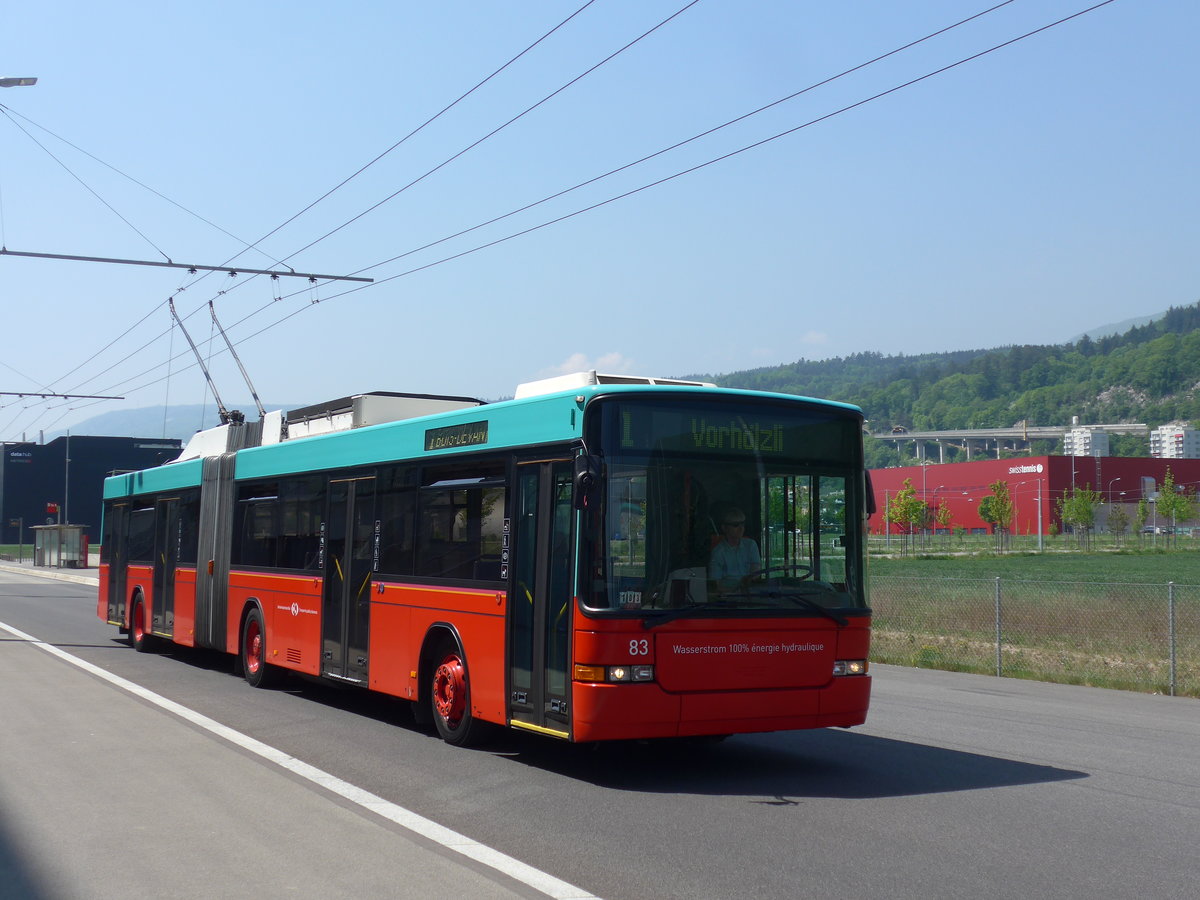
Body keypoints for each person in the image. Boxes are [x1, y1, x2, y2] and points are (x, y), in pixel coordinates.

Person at [709, 507, 761, 588]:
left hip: (750, 592)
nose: (741, 528)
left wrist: (751, 580)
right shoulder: (718, 552)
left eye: (742, 524)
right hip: (729, 595)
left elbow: (756, 571)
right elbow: (716, 582)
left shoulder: (751, 545)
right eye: (736, 525)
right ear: (724, 528)